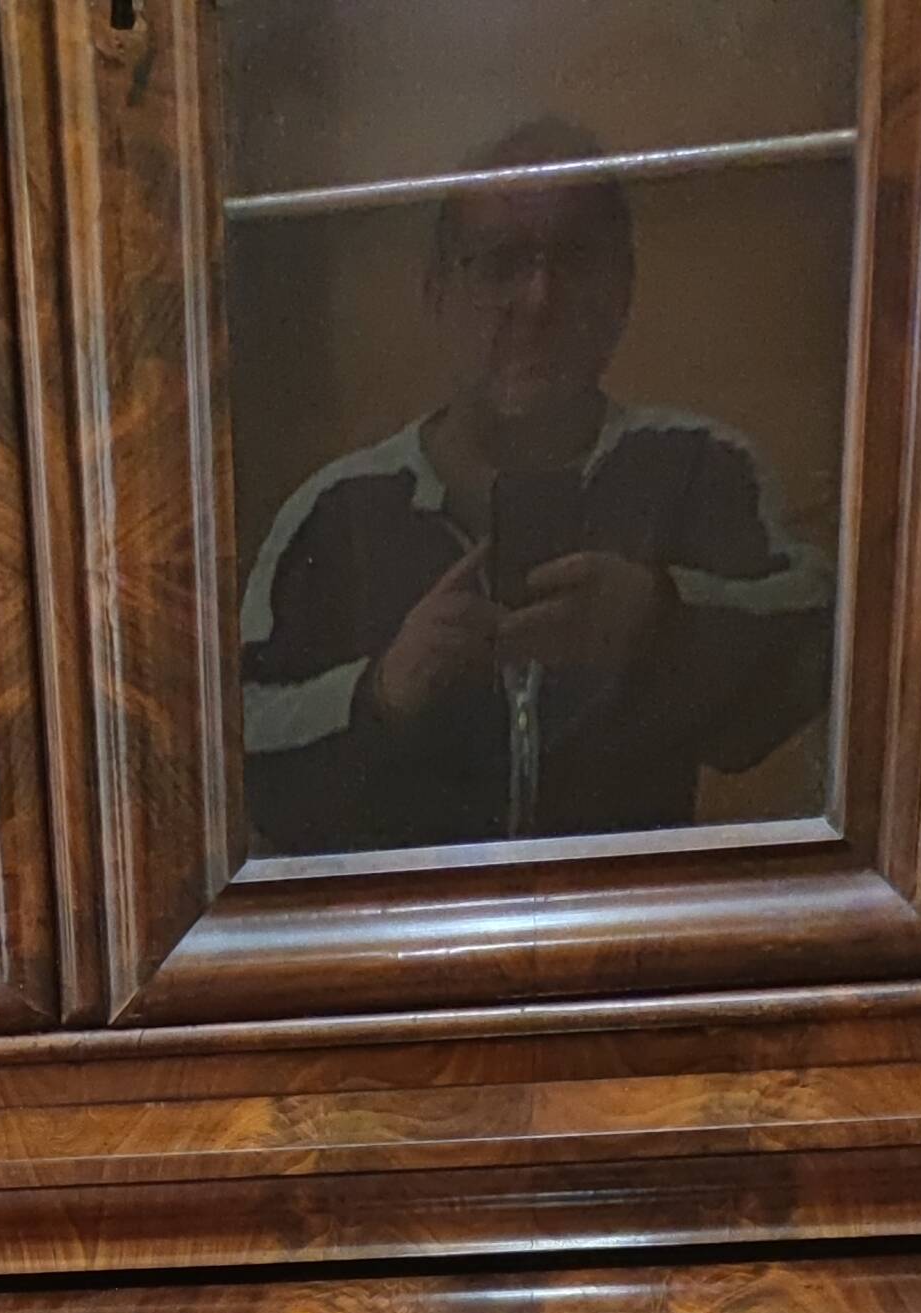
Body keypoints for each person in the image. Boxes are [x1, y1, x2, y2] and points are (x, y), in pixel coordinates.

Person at [238, 119, 835, 857]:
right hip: (400, 952)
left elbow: (819, 649)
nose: (540, 299)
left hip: (642, 945)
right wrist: (384, 693)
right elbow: (235, 756)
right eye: (499, 263)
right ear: (437, 293)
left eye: (577, 259)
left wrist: (658, 623)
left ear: (623, 290)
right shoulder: (337, 511)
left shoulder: (696, 469)